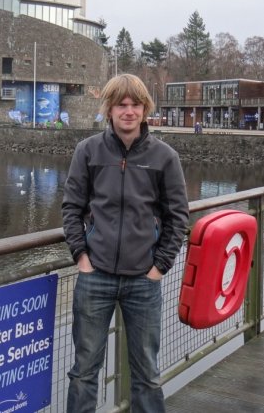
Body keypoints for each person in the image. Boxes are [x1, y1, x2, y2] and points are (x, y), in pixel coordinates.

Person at [62, 74, 189, 413]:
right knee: (84, 371)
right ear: (109, 109)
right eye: (121, 104)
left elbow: (178, 217)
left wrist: (159, 266)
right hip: (95, 276)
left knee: (146, 372)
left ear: (145, 109)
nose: (128, 111)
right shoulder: (88, 151)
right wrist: (81, 258)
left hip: (143, 281)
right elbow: (72, 208)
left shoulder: (165, 157)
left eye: (135, 105)